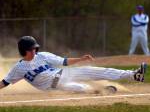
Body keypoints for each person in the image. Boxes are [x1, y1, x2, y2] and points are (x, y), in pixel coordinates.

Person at [0, 36, 147, 92]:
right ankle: (102, 91)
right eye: (32, 48)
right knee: (81, 89)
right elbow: (4, 83)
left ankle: (134, 75)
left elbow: (63, 61)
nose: (35, 50)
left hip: (64, 74)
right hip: (56, 86)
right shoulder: (18, 68)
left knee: (98, 71)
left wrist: (81, 59)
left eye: (35, 48)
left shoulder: (42, 56)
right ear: (24, 50)